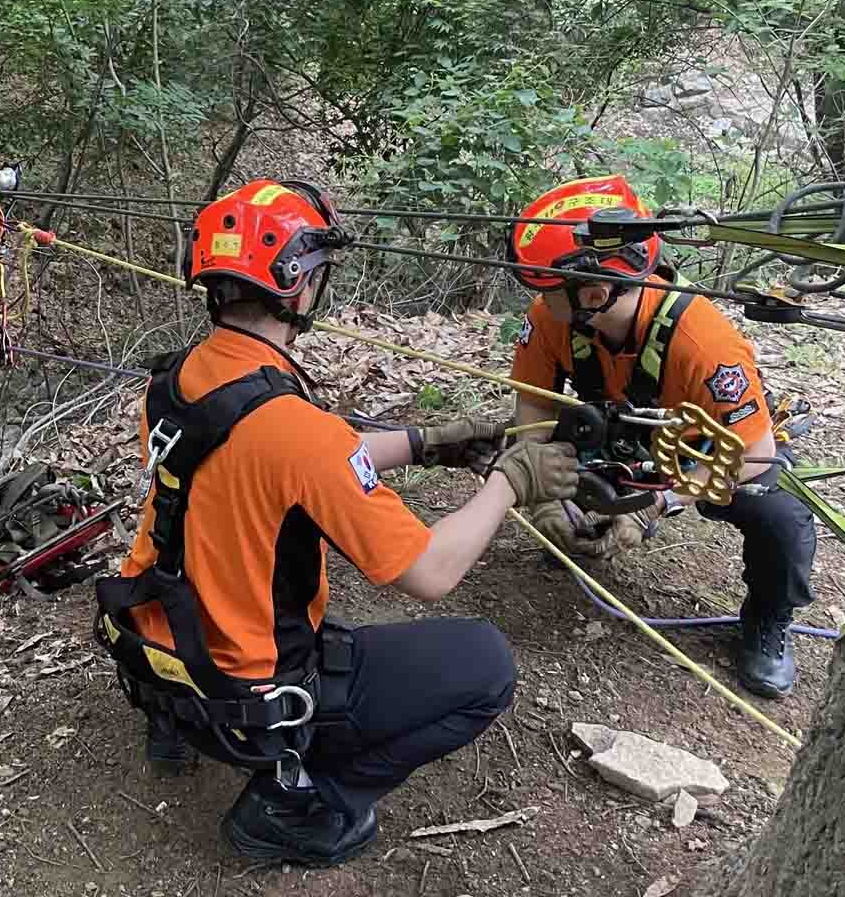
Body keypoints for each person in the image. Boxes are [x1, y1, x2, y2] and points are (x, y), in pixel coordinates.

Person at [94, 179, 580, 868]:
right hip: (248, 698)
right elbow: (431, 572)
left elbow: (289, 448)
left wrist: (426, 441)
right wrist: (510, 482)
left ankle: (171, 729)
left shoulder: (176, 382)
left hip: (160, 655)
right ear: (297, 284)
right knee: (485, 665)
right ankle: (293, 808)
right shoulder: (295, 430)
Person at [504, 174, 817, 699]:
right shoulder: (554, 319)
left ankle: (768, 617)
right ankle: (578, 527)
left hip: (707, 449)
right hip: (619, 433)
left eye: (546, 289)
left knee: (777, 513)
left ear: (595, 292)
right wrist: (540, 491)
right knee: (568, 444)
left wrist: (655, 505)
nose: (538, 300)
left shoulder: (704, 341)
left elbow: (755, 451)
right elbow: (532, 410)